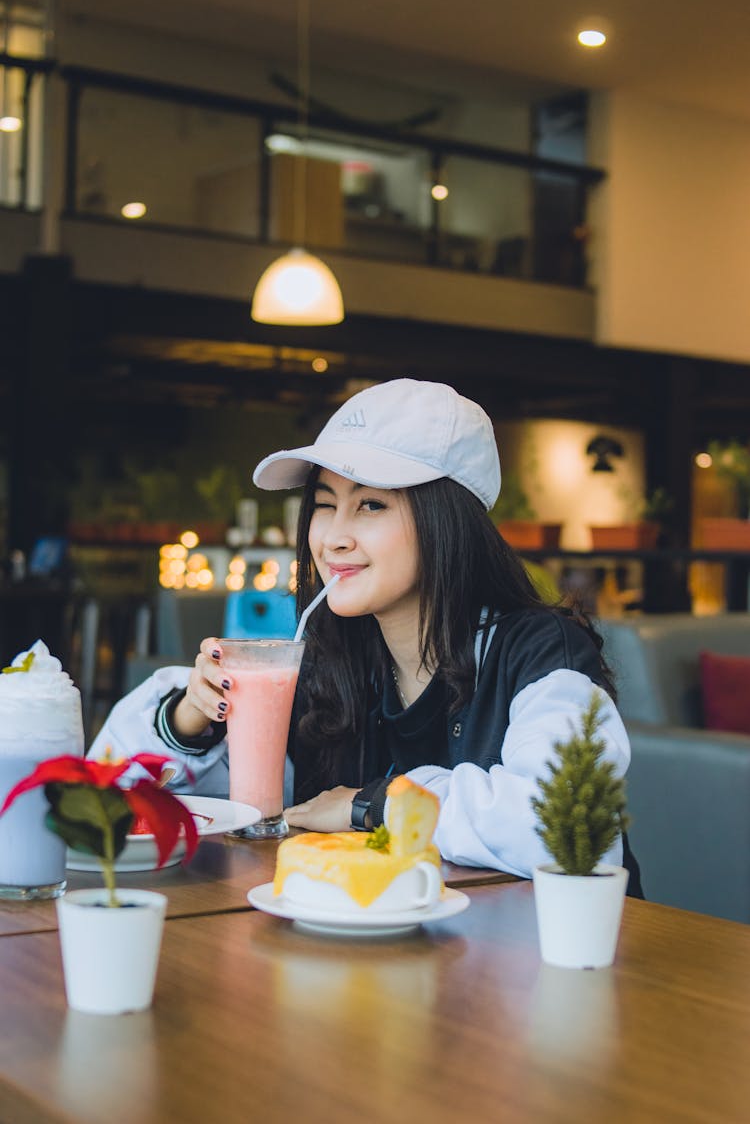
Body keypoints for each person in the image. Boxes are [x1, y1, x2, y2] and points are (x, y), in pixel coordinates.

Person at [92, 379, 642, 891]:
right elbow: (112, 794)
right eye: (325, 505)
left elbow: (566, 828)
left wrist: (372, 805)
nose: (333, 538)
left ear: (447, 521)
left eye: (370, 505)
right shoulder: (328, 662)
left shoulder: (541, 652)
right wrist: (188, 722)